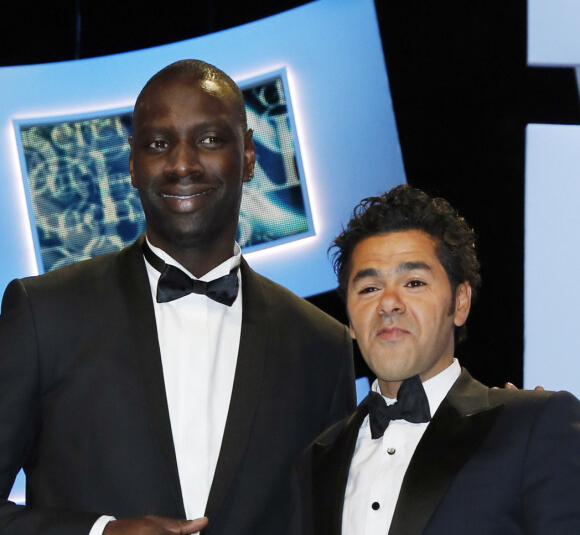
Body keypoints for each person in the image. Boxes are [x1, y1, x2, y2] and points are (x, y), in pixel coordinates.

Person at [0, 60, 356, 534]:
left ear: (249, 155)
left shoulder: (321, 345)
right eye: (158, 144)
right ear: (130, 164)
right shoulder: (45, 313)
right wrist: (100, 532)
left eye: (209, 140)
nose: (183, 164)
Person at [300, 184, 580, 535]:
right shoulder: (316, 460)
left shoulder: (530, 426)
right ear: (350, 319)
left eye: (414, 282)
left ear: (459, 302)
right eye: (369, 288)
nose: (388, 303)